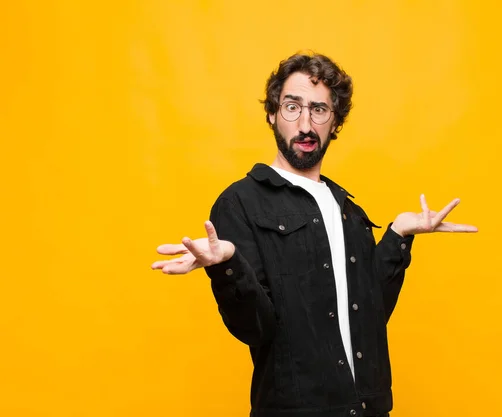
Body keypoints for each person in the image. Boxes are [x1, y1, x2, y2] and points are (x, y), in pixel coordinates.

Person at [151, 52, 477, 417]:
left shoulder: (348, 210)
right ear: (272, 114)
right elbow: (255, 328)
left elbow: (369, 316)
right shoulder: (240, 203)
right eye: (292, 107)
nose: (305, 123)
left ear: (334, 122)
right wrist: (228, 265)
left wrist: (399, 234)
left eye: (319, 110)